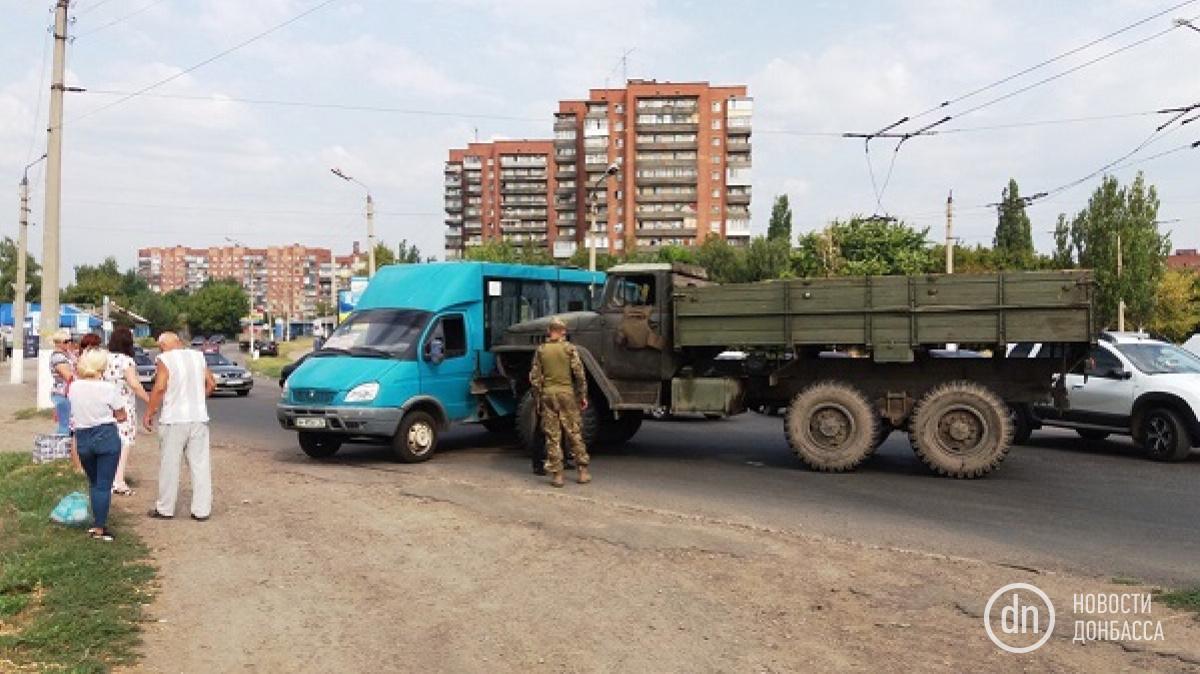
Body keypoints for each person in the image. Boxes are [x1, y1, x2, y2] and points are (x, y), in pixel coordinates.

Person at [143, 332, 216, 521]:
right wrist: (199, 399)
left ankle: (165, 508)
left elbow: (159, 387)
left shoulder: (165, 359)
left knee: (170, 464)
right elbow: (211, 383)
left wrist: (150, 412)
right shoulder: (198, 356)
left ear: (163, 346)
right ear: (178, 342)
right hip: (198, 418)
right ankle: (202, 510)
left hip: (174, 419)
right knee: (200, 465)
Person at [68, 348, 128, 542]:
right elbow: (121, 415)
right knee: (103, 484)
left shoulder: (75, 387)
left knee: (94, 482)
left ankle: (96, 522)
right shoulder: (108, 388)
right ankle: (100, 526)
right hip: (105, 435)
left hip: (83, 437)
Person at [529, 316, 591, 488]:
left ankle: (557, 476)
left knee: (552, 436)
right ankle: (583, 472)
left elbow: (535, 378)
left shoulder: (541, 350)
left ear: (550, 331)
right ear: (563, 331)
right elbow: (579, 374)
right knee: (574, 433)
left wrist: (537, 400)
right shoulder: (570, 349)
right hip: (566, 395)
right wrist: (582, 395)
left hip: (548, 396)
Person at [105, 328, 151, 495]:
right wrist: (149, 401)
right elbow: (134, 384)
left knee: (109, 443)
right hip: (124, 406)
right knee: (124, 442)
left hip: (105, 405)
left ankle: (107, 479)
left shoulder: (104, 358)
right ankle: (119, 481)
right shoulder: (126, 361)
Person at [48, 329, 75, 436]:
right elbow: (68, 376)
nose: (69, 343)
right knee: (65, 427)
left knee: (69, 425)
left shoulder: (67, 355)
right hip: (62, 393)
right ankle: (61, 449)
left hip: (66, 393)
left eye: (70, 340)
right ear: (58, 343)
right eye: (66, 341)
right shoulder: (58, 357)